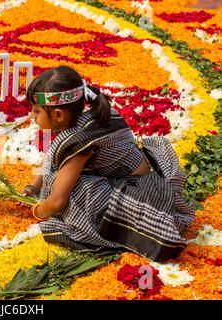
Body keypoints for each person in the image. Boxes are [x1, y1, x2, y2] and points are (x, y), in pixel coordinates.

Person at [23, 66, 195, 262]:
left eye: (36, 111)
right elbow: (52, 154)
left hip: (133, 189)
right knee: (59, 172)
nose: (32, 116)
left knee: (70, 188)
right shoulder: (88, 110)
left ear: (59, 115)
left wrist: (36, 210)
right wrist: (33, 186)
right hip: (131, 171)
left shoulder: (78, 142)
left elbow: (56, 202)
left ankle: (112, 224)